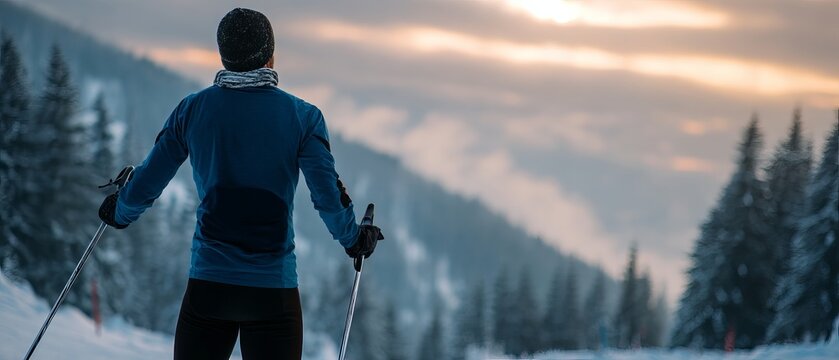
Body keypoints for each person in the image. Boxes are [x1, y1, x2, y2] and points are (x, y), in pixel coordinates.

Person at [97, 8, 384, 360]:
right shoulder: (304, 118)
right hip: (272, 294)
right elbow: (327, 195)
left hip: (209, 288)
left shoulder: (193, 110)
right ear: (270, 55)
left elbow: (147, 182)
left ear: (223, 55)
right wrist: (353, 239)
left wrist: (120, 211)